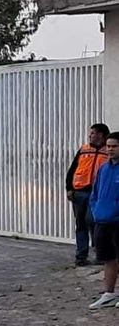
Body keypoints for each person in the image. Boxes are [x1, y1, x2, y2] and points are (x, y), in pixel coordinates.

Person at [66, 123, 110, 266]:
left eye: (93, 133)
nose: (90, 135)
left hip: (96, 193)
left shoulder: (108, 151)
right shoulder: (84, 149)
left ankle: (99, 253)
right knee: (81, 224)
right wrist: (69, 188)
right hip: (79, 191)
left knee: (93, 221)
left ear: (101, 135)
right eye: (90, 133)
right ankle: (81, 256)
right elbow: (72, 169)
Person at [88, 132, 119, 309]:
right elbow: (95, 193)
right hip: (102, 220)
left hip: (117, 221)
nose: (110, 149)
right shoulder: (103, 168)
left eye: (114, 146)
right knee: (108, 258)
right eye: (108, 146)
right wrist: (96, 210)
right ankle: (108, 294)